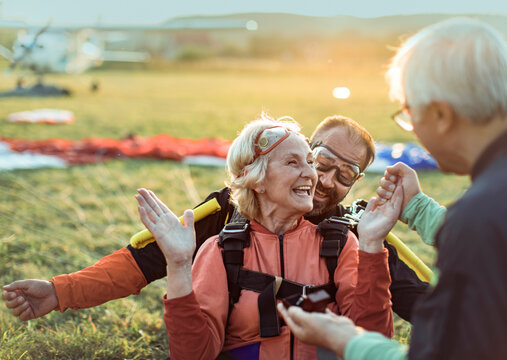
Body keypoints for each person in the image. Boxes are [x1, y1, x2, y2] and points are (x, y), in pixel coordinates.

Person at [278, 17, 507, 359]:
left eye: (408, 113)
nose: (412, 129)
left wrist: (348, 342)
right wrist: (416, 207)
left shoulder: (483, 215)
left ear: (442, 115)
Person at [2, 115, 430, 324]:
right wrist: (59, 292)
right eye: (321, 162)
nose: (324, 180)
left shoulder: (357, 234)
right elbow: (141, 262)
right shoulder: (231, 211)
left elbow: (422, 302)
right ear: (302, 153)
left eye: (346, 174)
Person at [135, 116, 396, 358]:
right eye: (293, 162)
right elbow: (196, 354)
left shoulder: (340, 245)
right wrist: (179, 266)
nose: (311, 174)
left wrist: (372, 245)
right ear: (256, 179)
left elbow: (372, 343)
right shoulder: (223, 251)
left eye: (309, 161)